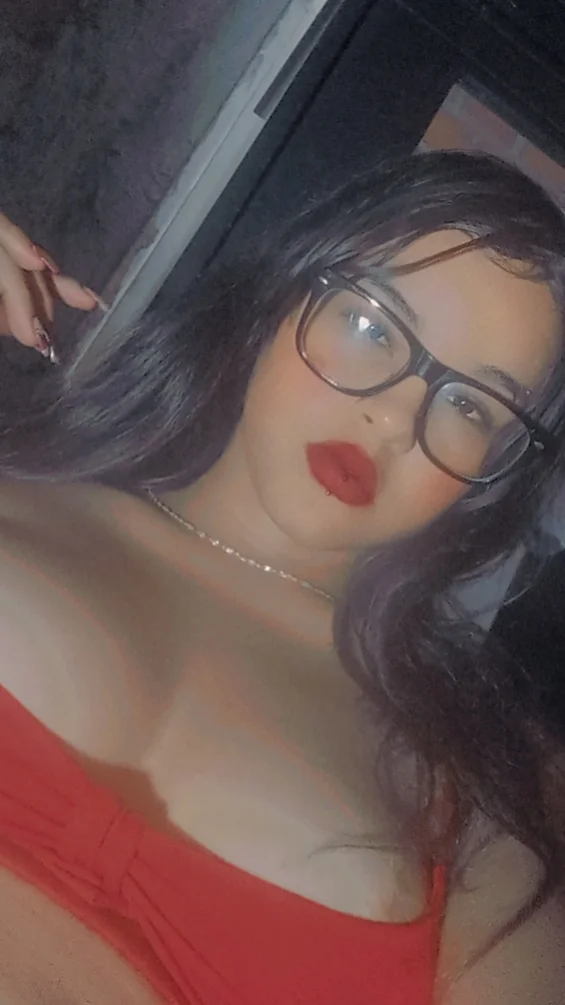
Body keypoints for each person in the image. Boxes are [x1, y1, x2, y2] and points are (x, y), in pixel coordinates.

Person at [0, 150, 564, 1005]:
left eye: (467, 405)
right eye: (373, 325)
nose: (393, 416)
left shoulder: (486, 794)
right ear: (282, 292)